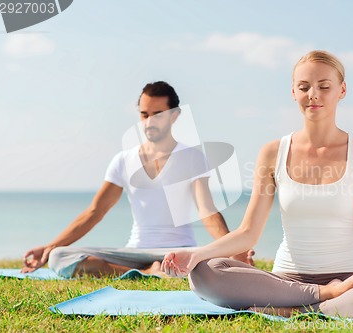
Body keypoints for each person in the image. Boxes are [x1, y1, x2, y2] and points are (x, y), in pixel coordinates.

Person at [160, 51, 353, 318]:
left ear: (342, 90)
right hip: (287, 282)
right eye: (304, 87)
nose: (313, 94)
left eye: (324, 86)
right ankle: (324, 297)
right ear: (293, 92)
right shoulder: (272, 153)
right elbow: (247, 232)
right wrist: (196, 254)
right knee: (204, 272)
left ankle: (300, 309)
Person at [21, 81, 254, 278]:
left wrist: (233, 247)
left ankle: (157, 269)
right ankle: (149, 272)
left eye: (157, 115)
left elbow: (207, 211)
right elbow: (95, 212)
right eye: (144, 114)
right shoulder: (123, 160)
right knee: (59, 256)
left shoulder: (192, 158)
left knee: (211, 263)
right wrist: (50, 247)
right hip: (133, 251)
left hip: (180, 250)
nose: (149, 121)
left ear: (175, 116)